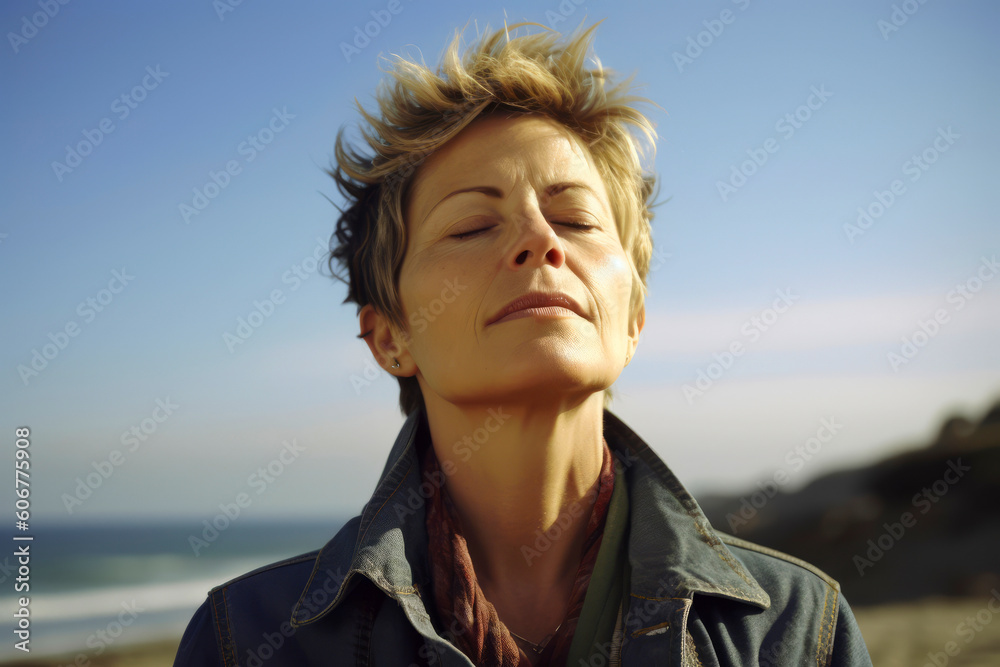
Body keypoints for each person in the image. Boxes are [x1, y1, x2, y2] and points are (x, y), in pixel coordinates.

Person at [173, 20, 873, 666]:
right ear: (389, 336)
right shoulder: (246, 637)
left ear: (632, 317)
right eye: (473, 226)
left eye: (574, 217)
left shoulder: (797, 628)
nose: (539, 240)